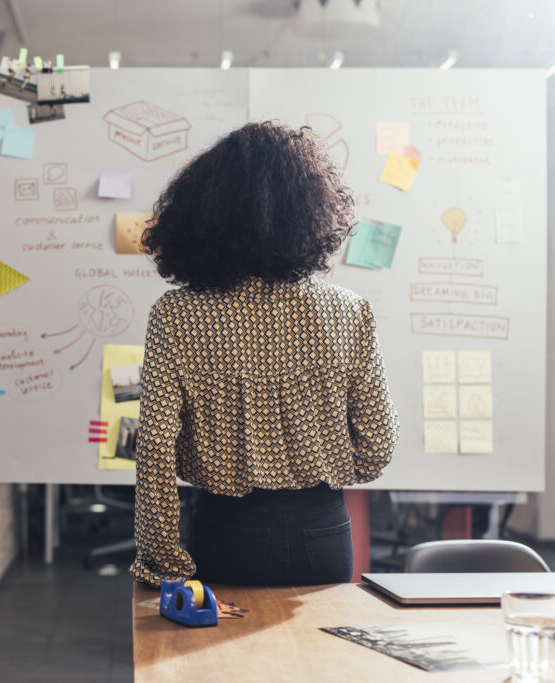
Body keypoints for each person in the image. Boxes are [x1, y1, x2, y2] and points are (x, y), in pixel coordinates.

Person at [130, 121, 399, 588]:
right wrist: (317, 466)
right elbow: (379, 445)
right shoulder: (348, 312)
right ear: (311, 212)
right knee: (320, 659)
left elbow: (154, 446)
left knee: (221, 660)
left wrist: (164, 558)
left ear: (202, 214)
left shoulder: (176, 315)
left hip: (225, 530)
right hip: (323, 530)